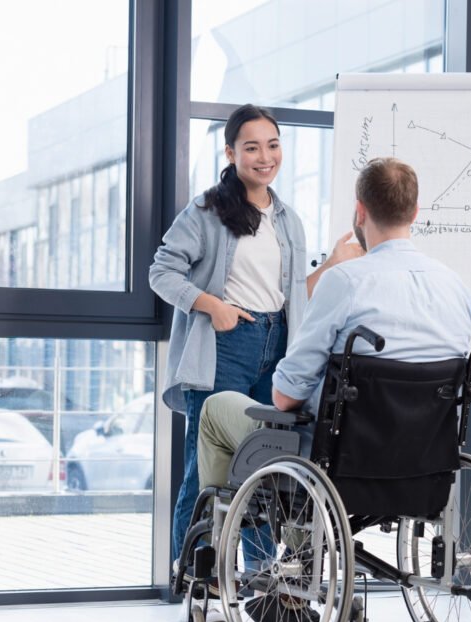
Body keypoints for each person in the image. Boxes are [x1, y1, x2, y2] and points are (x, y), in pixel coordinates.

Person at [149, 104, 361, 587]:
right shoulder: (205, 211)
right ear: (230, 152)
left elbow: (295, 294)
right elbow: (160, 272)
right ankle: (199, 578)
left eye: (273, 145)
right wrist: (209, 304)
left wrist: (332, 264)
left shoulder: (288, 218)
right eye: (252, 147)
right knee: (208, 471)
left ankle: (259, 581)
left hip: (277, 345)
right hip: (227, 345)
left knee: (264, 466)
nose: (265, 157)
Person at [197, 155, 471, 494]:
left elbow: (285, 396)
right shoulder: (456, 287)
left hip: (337, 458)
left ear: (360, 212)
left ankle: (215, 533)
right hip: (423, 459)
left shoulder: (345, 281)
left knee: (214, 409)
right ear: (414, 213)